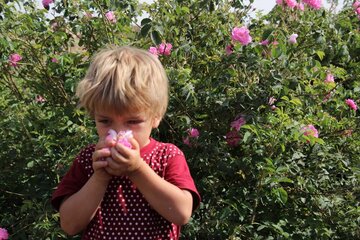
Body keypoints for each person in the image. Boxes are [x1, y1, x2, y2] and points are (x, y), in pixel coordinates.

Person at [51, 46, 201, 239]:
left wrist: (137, 169)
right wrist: (100, 177)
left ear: (155, 117)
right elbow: (70, 225)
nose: (119, 132)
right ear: (93, 116)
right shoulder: (89, 159)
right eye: (105, 121)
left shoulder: (167, 156)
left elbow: (181, 213)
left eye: (133, 121)